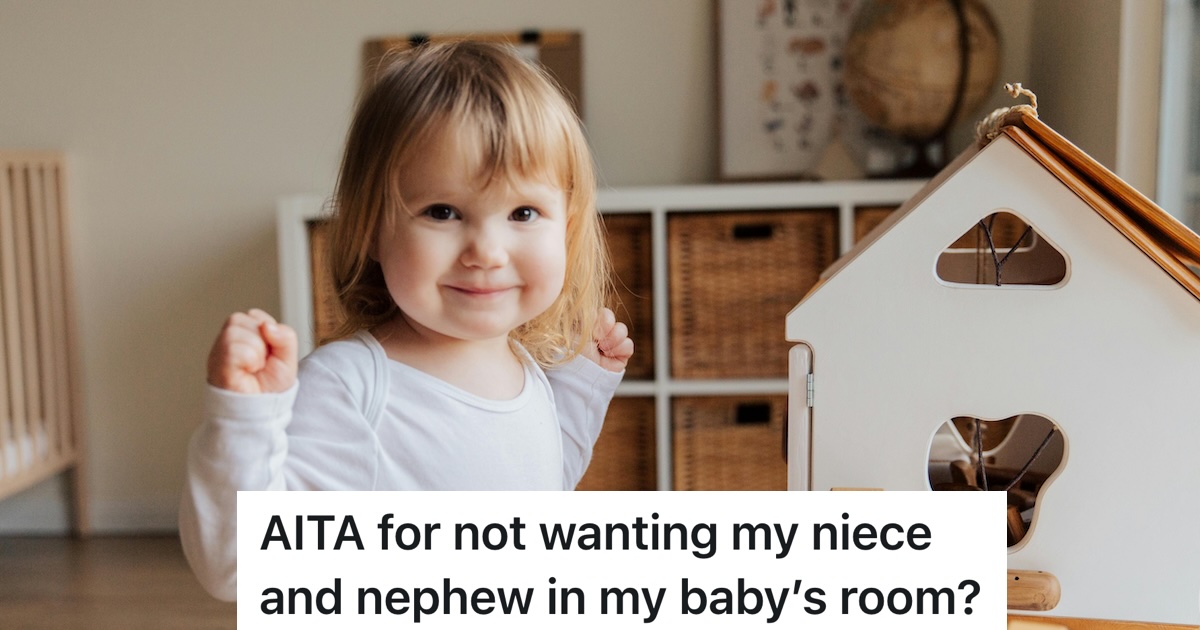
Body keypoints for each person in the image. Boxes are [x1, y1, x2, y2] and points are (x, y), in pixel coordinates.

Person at [179, 40, 634, 601]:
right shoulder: (352, 387)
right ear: (371, 228)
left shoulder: (524, 370)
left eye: (523, 212)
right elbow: (241, 567)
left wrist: (580, 386)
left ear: (566, 227)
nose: (487, 251)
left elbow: (543, 489)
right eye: (443, 212)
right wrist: (245, 420)